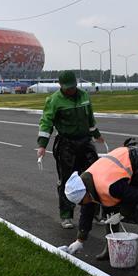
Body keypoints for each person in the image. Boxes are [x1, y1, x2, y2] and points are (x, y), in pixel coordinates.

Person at [59, 139, 138, 272]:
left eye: (83, 201)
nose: (84, 204)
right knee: (109, 210)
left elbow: (134, 198)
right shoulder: (84, 184)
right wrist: (80, 240)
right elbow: (87, 211)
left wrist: (121, 213)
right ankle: (110, 249)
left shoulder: (110, 187)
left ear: (86, 194)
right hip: (123, 166)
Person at [36, 70, 104, 229]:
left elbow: (90, 119)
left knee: (93, 178)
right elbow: (46, 123)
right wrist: (42, 145)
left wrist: (97, 135)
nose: (70, 90)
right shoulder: (54, 100)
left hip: (85, 142)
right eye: (67, 88)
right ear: (61, 86)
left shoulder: (84, 96)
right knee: (68, 180)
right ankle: (66, 215)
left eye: (72, 87)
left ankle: (94, 212)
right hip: (67, 144)